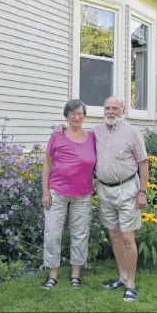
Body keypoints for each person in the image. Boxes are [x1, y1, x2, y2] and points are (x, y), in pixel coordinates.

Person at [55, 96, 149, 302]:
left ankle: (131, 284)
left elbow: (143, 163)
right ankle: (122, 276)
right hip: (104, 191)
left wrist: (143, 191)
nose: (110, 112)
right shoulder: (95, 132)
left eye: (115, 108)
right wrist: (61, 128)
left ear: (123, 110)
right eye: (107, 108)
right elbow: (76, 135)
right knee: (114, 235)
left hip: (127, 190)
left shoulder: (133, 132)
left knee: (127, 237)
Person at [41, 99, 96, 290]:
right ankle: (52, 274)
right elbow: (47, 164)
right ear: (66, 115)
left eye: (80, 113)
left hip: (83, 194)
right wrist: (45, 192)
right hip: (57, 192)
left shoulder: (92, 137)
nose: (77, 117)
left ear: (84, 116)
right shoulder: (57, 136)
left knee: (80, 234)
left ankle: (75, 275)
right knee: (52, 234)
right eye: (73, 113)